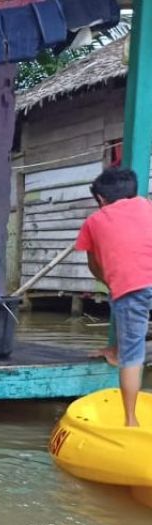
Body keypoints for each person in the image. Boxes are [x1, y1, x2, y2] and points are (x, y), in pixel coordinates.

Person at [75, 166, 152, 427]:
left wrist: (110, 279)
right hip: (139, 283)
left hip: (132, 287)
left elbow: (94, 265)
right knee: (124, 315)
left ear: (100, 199)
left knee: (133, 356)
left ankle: (130, 421)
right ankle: (117, 349)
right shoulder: (146, 206)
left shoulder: (94, 221)